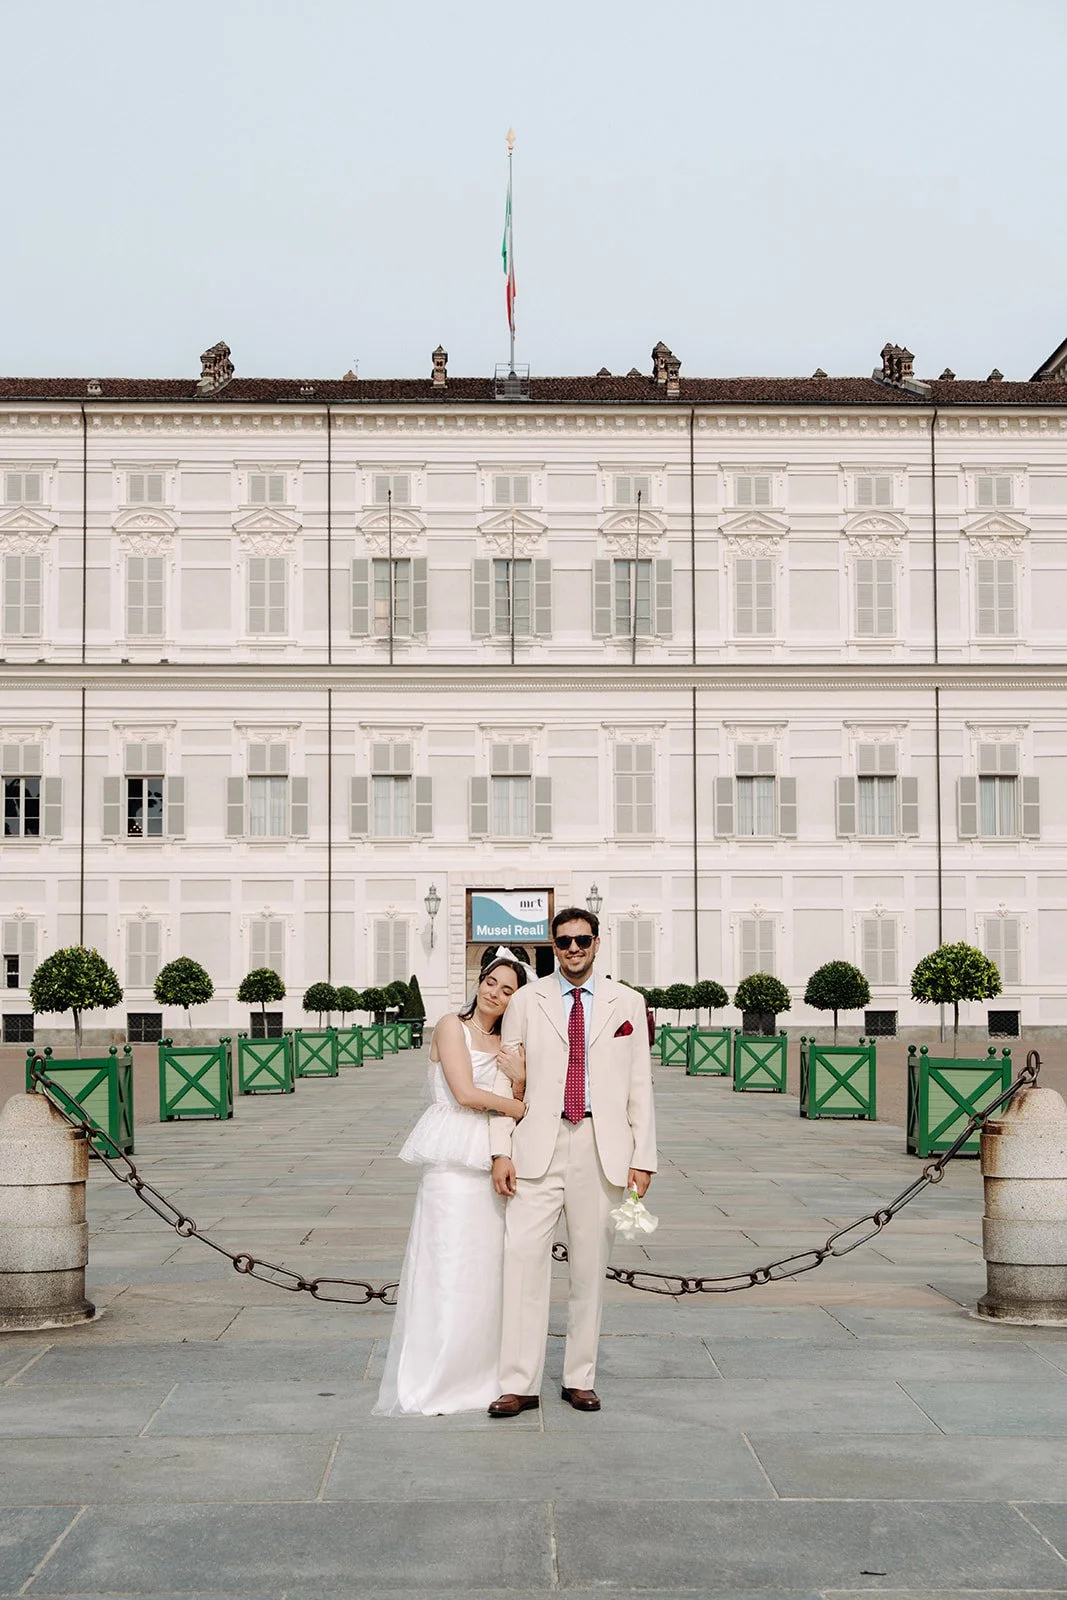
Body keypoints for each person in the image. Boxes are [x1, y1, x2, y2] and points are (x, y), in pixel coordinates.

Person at [488, 907, 657, 1416]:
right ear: (553, 947)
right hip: (537, 1145)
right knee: (522, 1263)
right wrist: (501, 1148)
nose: (574, 949)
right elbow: (505, 1077)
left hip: (601, 1149)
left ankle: (579, 1376)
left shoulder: (628, 1002)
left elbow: (640, 1085)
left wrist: (643, 1156)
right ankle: (519, 1383)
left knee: (588, 1270)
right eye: (564, 942)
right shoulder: (525, 1000)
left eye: (582, 940)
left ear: (597, 943)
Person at [374, 955, 529, 1416]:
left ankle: (484, 1372)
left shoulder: (509, 1041)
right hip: (452, 1158)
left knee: (485, 1270)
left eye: (506, 990)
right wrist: (521, 1104)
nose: (494, 994)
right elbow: (465, 1092)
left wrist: (522, 1081)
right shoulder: (450, 1025)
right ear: (479, 983)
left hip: (492, 1158)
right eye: (490, 983)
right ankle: (439, 1374)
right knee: (447, 1263)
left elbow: (517, 1092)